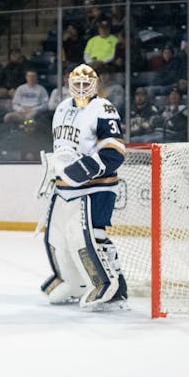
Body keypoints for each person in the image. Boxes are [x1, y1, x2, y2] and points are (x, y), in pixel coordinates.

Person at [40, 64, 127, 311]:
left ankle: (114, 289)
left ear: (95, 84)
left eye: (85, 84)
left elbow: (115, 151)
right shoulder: (61, 108)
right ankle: (72, 281)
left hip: (95, 187)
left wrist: (85, 169)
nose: (80, 88)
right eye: (76, 84)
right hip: (65, 188)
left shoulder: (104, 108)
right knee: (59, 237)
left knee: (93, 237)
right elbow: (62, 147)